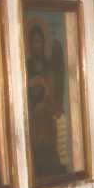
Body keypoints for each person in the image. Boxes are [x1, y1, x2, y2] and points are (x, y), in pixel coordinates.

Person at [25, 21, 67, 177]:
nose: (37, 45)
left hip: (48, 124)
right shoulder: (26, 67)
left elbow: (55, 96)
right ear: (29, 45)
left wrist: (50, 101)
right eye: (34, 42)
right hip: (34, 125)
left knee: (52, 161)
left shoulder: (49, 67)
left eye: (40, 41)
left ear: (44, 43)